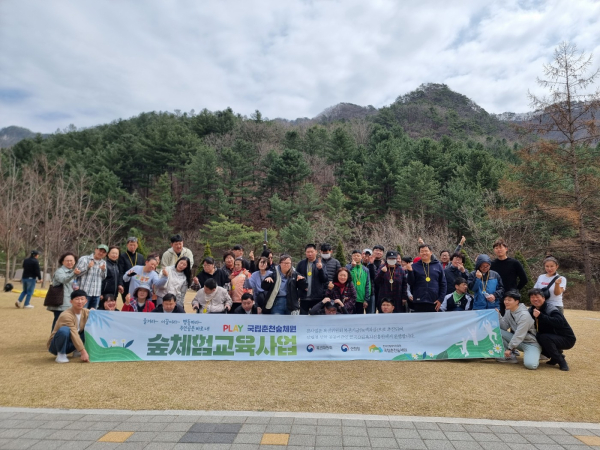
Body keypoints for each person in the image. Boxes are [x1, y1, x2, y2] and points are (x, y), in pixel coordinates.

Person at [528, 288, 576, 371]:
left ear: (543, 298)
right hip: (551, 336)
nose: (535, 299)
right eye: (532, 297)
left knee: (543, 337)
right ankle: (554, 357)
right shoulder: (531, 310)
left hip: (566, 339)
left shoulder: (551, 309)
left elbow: (559, 322)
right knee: (536, 337)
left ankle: (561, 361)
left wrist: (541, 316)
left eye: (537, 297)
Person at [497, 290, 541, 369]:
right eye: (505, 299)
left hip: (530, 342)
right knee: (497, 332)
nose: (506, 302)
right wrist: (499, 316)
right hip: (519, 342)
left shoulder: (524, 315)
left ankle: (539, 354)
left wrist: (510, 348)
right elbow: (504, 327)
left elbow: (519, 334)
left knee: (531, 365)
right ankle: (509, 357)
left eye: (509, 300)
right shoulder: (508, 311)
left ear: (517, 301)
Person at [47, 289, 90, 363]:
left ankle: (77, 351)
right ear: (71, 301)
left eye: (82, 299)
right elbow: (73, 333)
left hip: (71, 344)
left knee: (89, 328)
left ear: (86, 301)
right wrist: (83, 352)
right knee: (64, 330)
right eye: (77, 299)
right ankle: (61, 354)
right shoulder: (66, 315)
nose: (80, 302)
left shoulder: (86, 312)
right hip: (55, 346)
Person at [490, 238, 528, 314]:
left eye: (501, 247)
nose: (499, 250)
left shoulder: (514, 263)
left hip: (511, 295)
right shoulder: (492, 264)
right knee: (499, 316)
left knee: (513, 316)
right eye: (496, 248)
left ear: (506, 249)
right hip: (497, 296)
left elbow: (524, 279)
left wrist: (515, 289)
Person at [406, 245, 446, 312]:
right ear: (419, 253)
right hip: (419, 301)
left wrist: (440, 299)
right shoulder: (414, 266)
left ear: (431, 252)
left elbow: (443, 283)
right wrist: (410, 271)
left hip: (434, 301)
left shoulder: (438, 265)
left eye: (426, 251)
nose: (424, 253)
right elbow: (410, 282)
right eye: (422, 251)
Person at [47, 252, 80, 330]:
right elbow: (63, 280)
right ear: (62, 262)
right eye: (67, 261)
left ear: (74, 262)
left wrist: (76, 287)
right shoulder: (60, 271)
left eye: (71, 261)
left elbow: (71, 284)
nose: (69, 262)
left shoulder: (72, 271)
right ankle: (54, 336)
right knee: (58, 321)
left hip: (69, 301)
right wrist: (73, 273)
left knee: (67, 321)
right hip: (61, 302)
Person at [296, 244, 328, 315]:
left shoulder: (321, 264)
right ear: (305, 252)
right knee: (303, 317)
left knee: (316, 317)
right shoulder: (301, 264)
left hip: (317, 297)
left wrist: (320, 269)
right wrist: (300, 282)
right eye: (308, 252)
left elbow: (324, 280)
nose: (310, 254)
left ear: (316, 252)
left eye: (312, 252)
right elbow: (296, 277)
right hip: (304, 297)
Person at [75, 244, 109, 309]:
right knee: (82, 313)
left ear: (106, 254)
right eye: (100, 250)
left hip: (96, 294)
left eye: (104, 252)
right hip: (84, 293)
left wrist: (103, 270)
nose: (101, 253)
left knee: (93, 314)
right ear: (96, 250)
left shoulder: (103, 262)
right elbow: (77, 274)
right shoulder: (84, 259)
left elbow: (103, 277)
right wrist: (88, 267)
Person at [118, 237, 145, 303]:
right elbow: (120, 271)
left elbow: (144, 271)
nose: (132, 246)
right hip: (126, 284)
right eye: (131, 245)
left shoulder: (140, 257)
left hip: (138, 284)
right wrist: (120, 284)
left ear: (137, 245)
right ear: (127, 245)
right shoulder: (122, 256)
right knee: (127, 303)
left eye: (134, 245)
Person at [346, 250, 371, 314]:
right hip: (349, 298)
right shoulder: (347, 267)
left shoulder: (365, 270)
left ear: (361, 257)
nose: (356, 257)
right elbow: (345, 279)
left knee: (359, 317)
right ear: (352, 257)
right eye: (354, 256)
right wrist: (352, 267)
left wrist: (366, 299)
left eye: (358, 256)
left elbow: (368, 285)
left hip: (360, 298)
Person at [368, 245, 385, 314]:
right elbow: (373, 276)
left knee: (382, 310)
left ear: (383, 253)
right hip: (371, 290)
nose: (378, 252)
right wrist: (371, 264)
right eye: (376, 250)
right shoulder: (368, 262)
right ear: (373, 251)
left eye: (380, 251)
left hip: (382, 290)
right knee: (371, 311)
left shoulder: (385, 263)